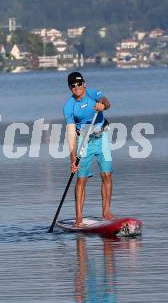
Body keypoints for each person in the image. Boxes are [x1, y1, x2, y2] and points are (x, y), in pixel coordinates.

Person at [63, 72, 113, 227]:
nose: (77, 88)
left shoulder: (93, 94)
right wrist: (73, 159)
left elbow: (107, 102)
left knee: (107, 174)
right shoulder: (69, 106)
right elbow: (71, 133)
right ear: (70, 88)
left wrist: (102, 105)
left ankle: (106, 212)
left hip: (101, 137)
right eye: (73, 85)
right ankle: (79, 218)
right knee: (81, 179)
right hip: (83, 141)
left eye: (79, 84)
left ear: (84, 84)